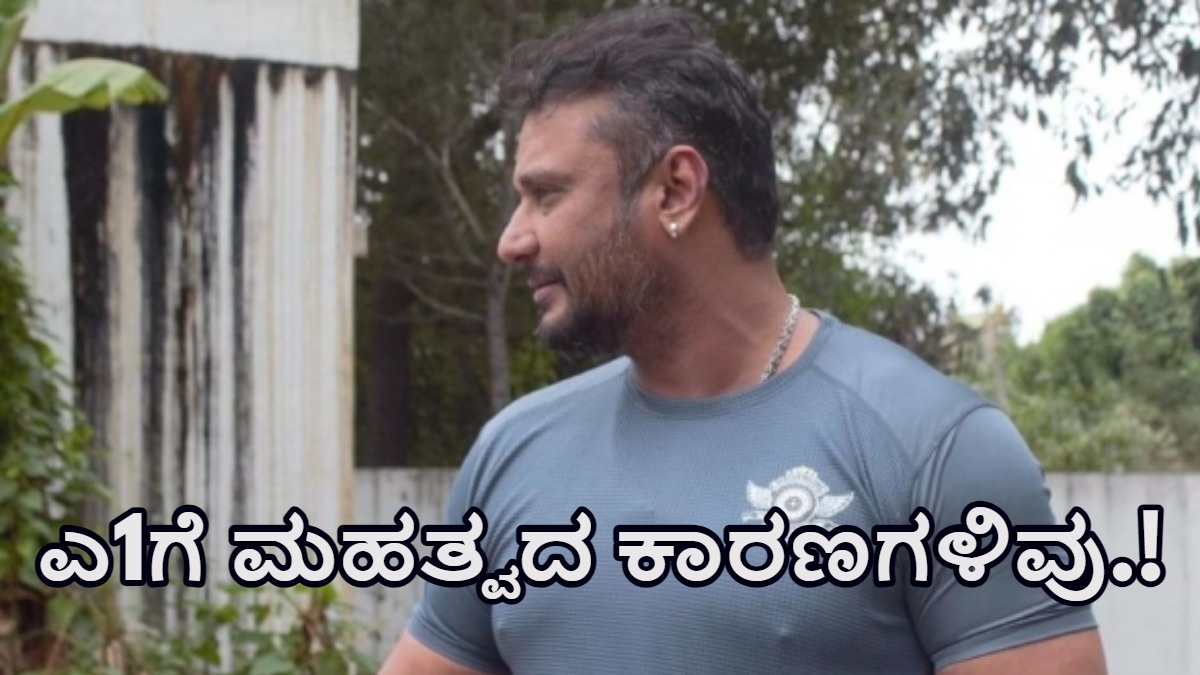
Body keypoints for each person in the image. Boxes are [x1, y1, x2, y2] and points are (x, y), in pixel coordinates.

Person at [378, 7, 1107, 674]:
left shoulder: (933, 448)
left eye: (547, 195)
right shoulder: (513, 451)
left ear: (675, 189)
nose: (513, 240)